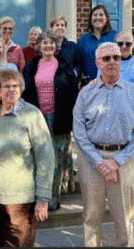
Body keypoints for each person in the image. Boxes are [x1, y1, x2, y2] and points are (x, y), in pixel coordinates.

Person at [0, 68, 55, 247]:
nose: (12, 89)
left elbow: (45, 157)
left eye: (15, 85)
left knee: (18, 244)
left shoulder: (32, 115)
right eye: (6, 86)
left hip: (18, 200)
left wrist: (43, 197)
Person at [73, 42, 134, 247]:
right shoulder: (86, 93)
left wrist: (117, 161)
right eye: (106, 58)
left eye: (116, 58)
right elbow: (79, 132)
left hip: (125, 159)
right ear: (97, 63)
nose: (112, 62)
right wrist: (99, 162)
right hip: (91, 160)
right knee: (92, 214)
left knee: (124, 215)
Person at [23, 30, 78, 211]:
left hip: (59, 116)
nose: (48, 46)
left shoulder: (65, 66)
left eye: (51, 43)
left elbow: (73, 94)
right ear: (39, 46)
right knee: (39, 157)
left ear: (56, 46)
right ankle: (38, 195)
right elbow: (25, 92)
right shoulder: (31, 67)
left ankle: (53, 198)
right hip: (38, 117)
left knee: (55, 160)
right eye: (44, 43)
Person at [50, 15, 83, 193]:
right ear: (52, 27)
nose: (60, 28)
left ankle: (67, 179)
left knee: (65, 142)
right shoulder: (48, 45)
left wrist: (75, 73)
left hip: (67, 96)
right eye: (57, 25)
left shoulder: (73, 47)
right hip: (50, 100)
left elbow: (80, 65)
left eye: (62, 25)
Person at [78, 4, 117, 86]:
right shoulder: (83, 39)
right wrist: (82, 77)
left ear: (106, 18)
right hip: (89, 84)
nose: (98, 17)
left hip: (111, 83)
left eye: (101, 15)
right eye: (95, 15)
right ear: (91, 19)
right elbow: (79, 61)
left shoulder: (115, 36)